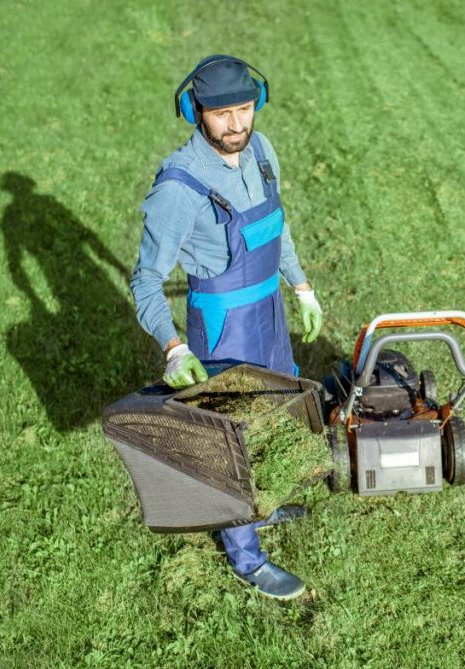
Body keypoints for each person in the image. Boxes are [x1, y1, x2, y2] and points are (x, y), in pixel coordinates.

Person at [130, 54, 323, 600]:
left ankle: (262, 506)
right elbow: (145, 280)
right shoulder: (179, 187)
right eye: (222, 115)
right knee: (228, 437)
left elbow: (276, 225)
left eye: (244, 110)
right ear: (196, 111)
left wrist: (301, 287)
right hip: (222, 326)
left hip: (269, 314)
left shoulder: (261, 151)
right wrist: (172, 347)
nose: (236, 125)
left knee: (276, 413)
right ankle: (245, 556)